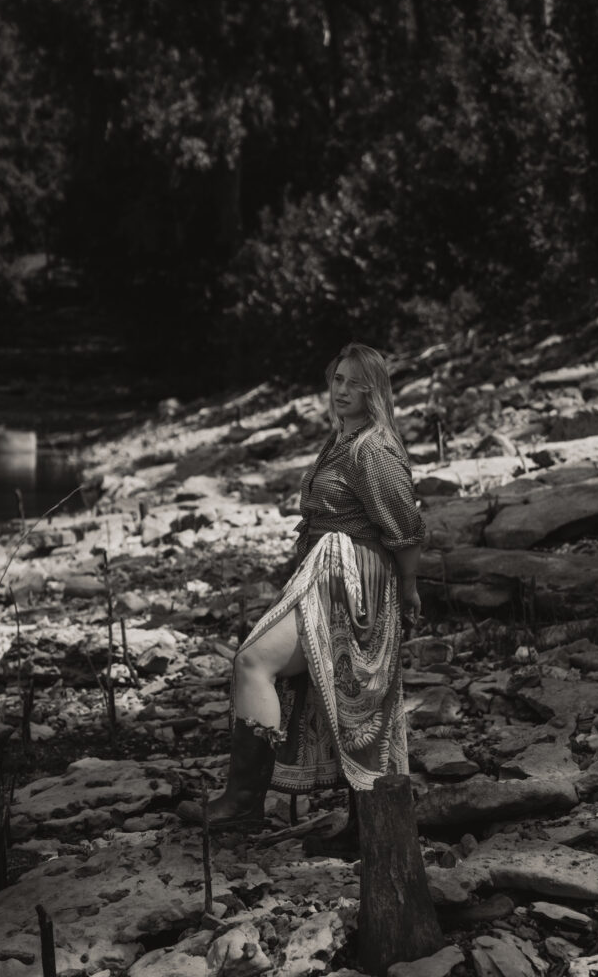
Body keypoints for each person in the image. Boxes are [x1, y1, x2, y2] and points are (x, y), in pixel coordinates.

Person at [177, 343, 425, 840]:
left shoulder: (372, 449)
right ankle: (355, 825)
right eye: (338, 380)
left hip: (355, 580)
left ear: (375, 390)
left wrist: (409, 588)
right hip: (326, 571)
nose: (342, 391)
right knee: (334, 688)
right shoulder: (342, 440)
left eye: (356, 383)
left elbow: (405, 527)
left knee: (258, 662)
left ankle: (244, 803)